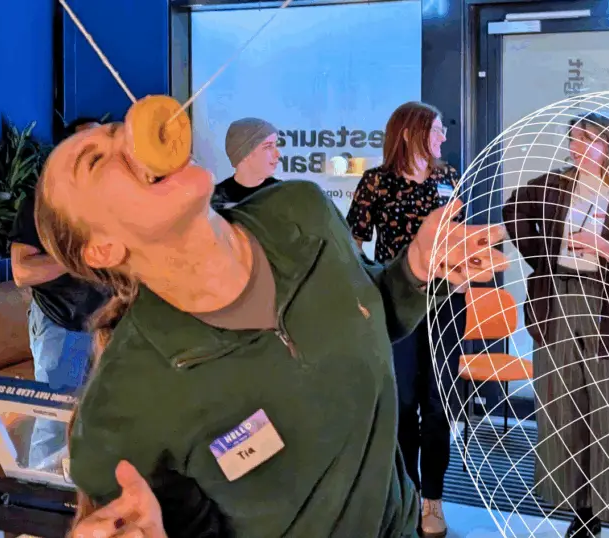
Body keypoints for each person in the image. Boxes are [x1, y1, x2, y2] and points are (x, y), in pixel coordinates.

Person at [32, 121, 507, 537]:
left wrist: (416, 268)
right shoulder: (120, 410)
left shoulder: (300, 210)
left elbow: (363, 313)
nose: (136, 139)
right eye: (96, 161)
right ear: (103, 250)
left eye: (123, 130)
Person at [503, 112, 609, 538]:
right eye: (573, 139)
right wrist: (542, 257)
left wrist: (606, 248)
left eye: (585, 139)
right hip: (559, 299)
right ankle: (582, 513)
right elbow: (513, 208)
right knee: (566, 409)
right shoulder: (556, 183)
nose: (575, 147)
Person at [345, 100, 459, 538]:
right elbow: (353, 242)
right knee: (403, 403)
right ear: (411, 133)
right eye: (436, 129)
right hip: (396, 305)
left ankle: (434, 500)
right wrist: (366, 289)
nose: (443, 136)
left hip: (446, 303)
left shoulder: (449, 178)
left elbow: (458, 236)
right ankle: (405, 496)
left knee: (438, 403)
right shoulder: (377, 181)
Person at [8, 116, 108, 470]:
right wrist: (77, 255)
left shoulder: (112, 204)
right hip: (60, 325)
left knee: (99, 420)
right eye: (89, 145)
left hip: (106, 325)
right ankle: (41, 498)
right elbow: (22, 272)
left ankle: (87, 496)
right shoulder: (43, 204)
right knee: (54, 425)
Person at [211, 117, 281, 209]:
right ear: (245, 154)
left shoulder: (282, 193)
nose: (278, 154)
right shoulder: (214, 199)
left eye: (276, 145)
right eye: (268, 147)